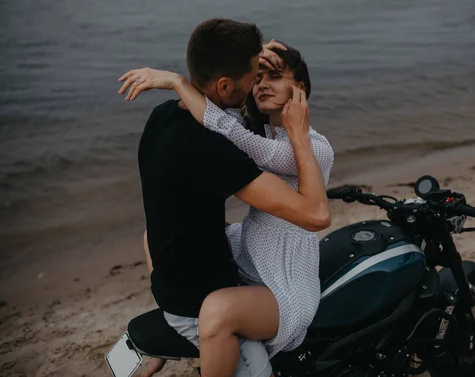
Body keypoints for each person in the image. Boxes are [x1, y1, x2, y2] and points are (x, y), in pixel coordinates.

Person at [118, 19, 330, 377]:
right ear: (225, 84)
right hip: (212, 290)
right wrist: (178, 81)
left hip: (254, 276)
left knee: (154, 235)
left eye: (271, 77)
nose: (258, 85)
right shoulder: (223, 147)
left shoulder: (162, 117)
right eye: (255, 75)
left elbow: (228, 122)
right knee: (218, 308)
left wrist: (178, 82)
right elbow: (314, 213)